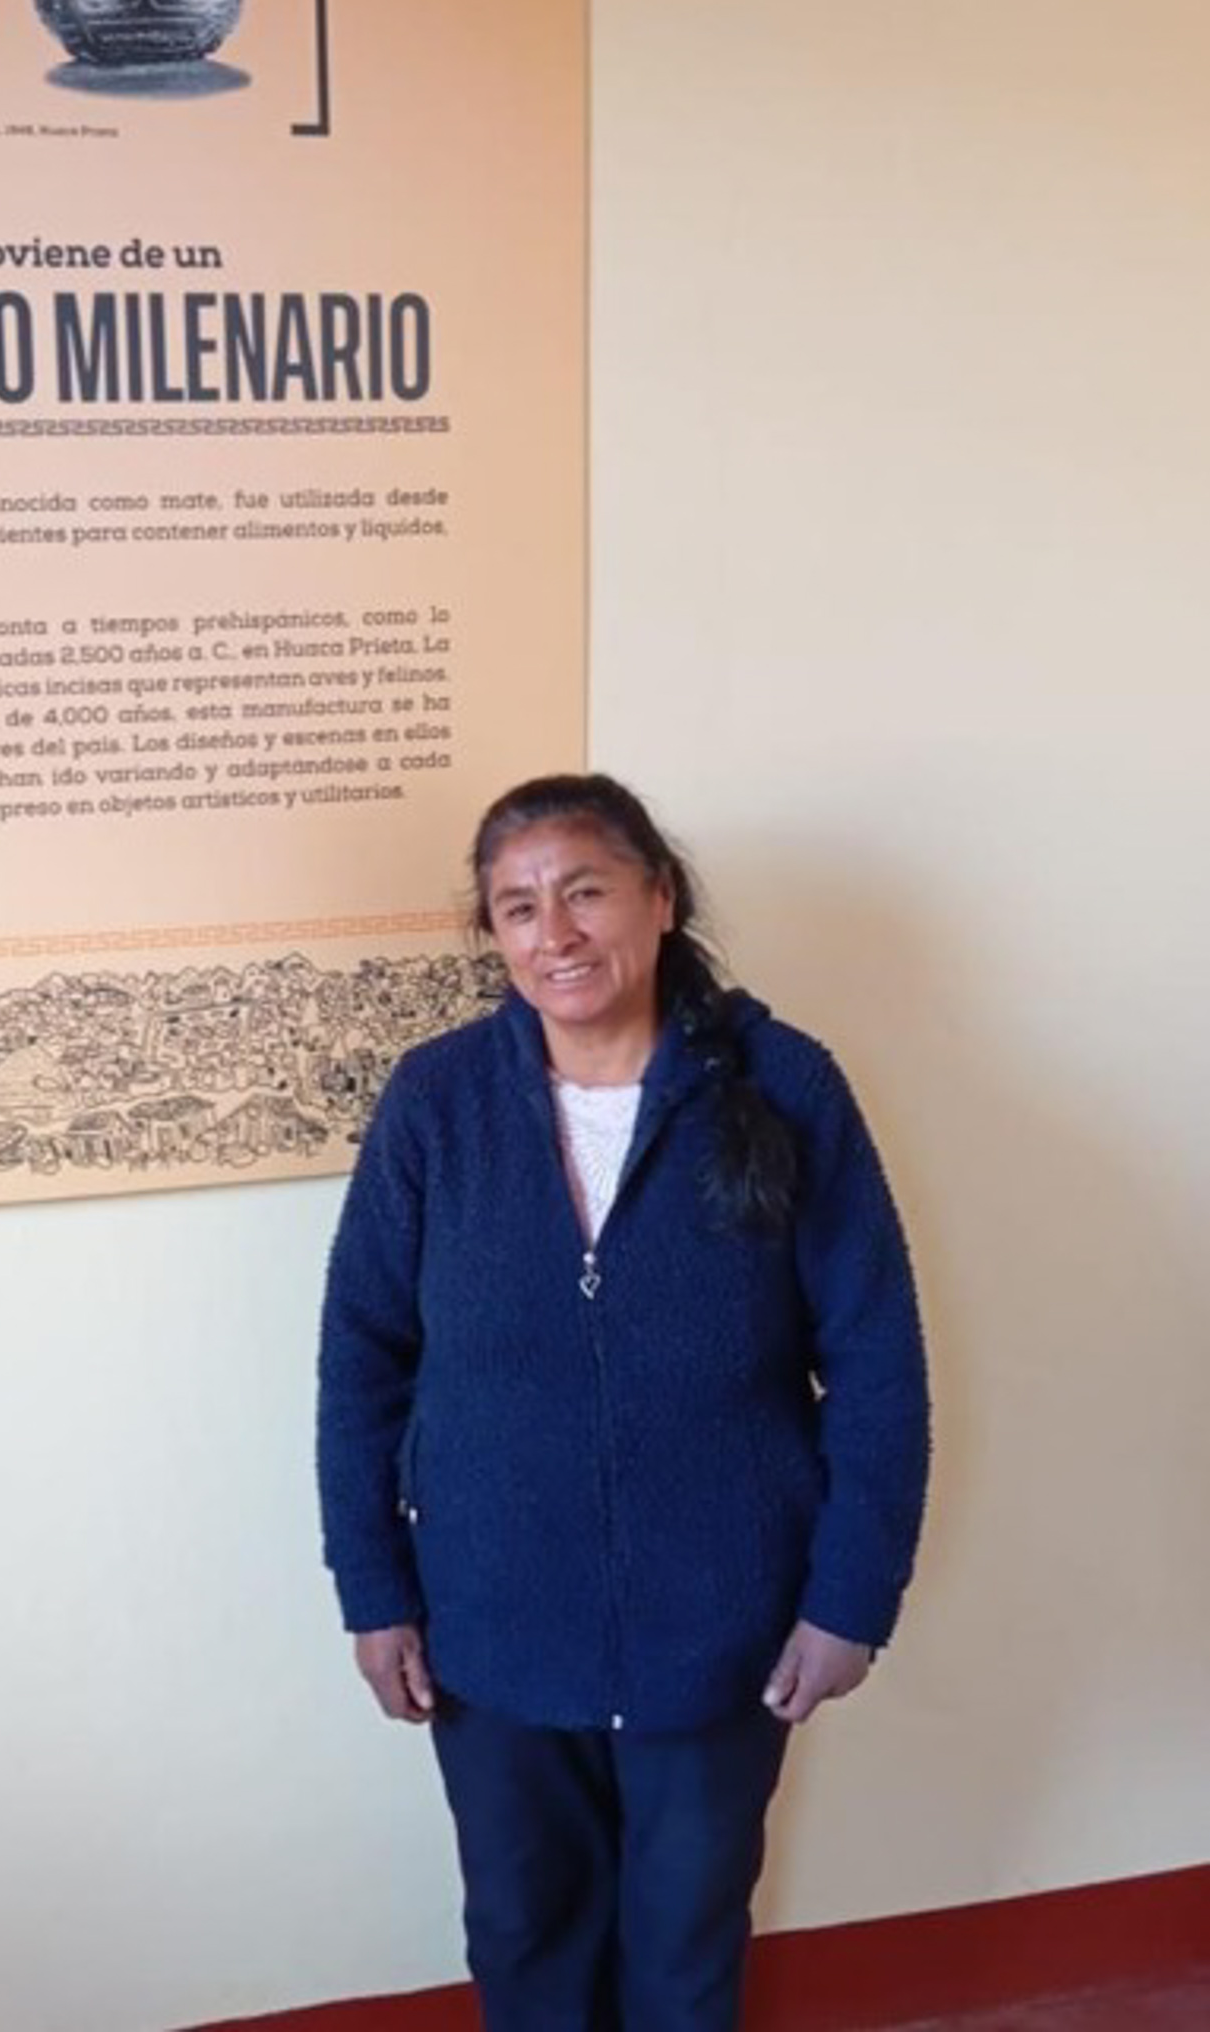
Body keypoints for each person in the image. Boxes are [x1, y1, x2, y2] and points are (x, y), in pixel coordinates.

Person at [316, 773, 930, 2032]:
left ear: (658, 898)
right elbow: (361, 1360)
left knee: (683, 1947)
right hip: (491, 1624)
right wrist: (372, 1591)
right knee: (521, 1934)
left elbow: (876, 1361)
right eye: (517, 907)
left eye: (584, 891)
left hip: (721, 1630)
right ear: (494, 935)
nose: (555, 933)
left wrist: (848, 1600)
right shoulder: (437, 1103)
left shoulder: (785, 1085)